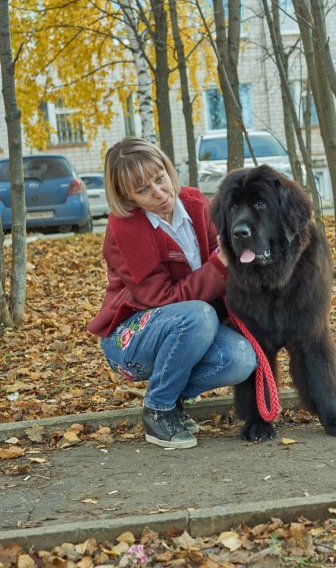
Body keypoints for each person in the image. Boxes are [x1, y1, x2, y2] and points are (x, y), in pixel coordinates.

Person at [87, 137, 257, 450]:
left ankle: (170, 395)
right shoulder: (126, 229)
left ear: (168, 169)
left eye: (160, 178)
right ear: (126, 195)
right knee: (198, 315)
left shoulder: (195, 203)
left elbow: (221, 251)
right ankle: (159, 409)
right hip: (130, 338)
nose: (159, 193)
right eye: (143, 190)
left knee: (241, 359)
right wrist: (220, 264)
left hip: (189, 325)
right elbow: (163, 298)